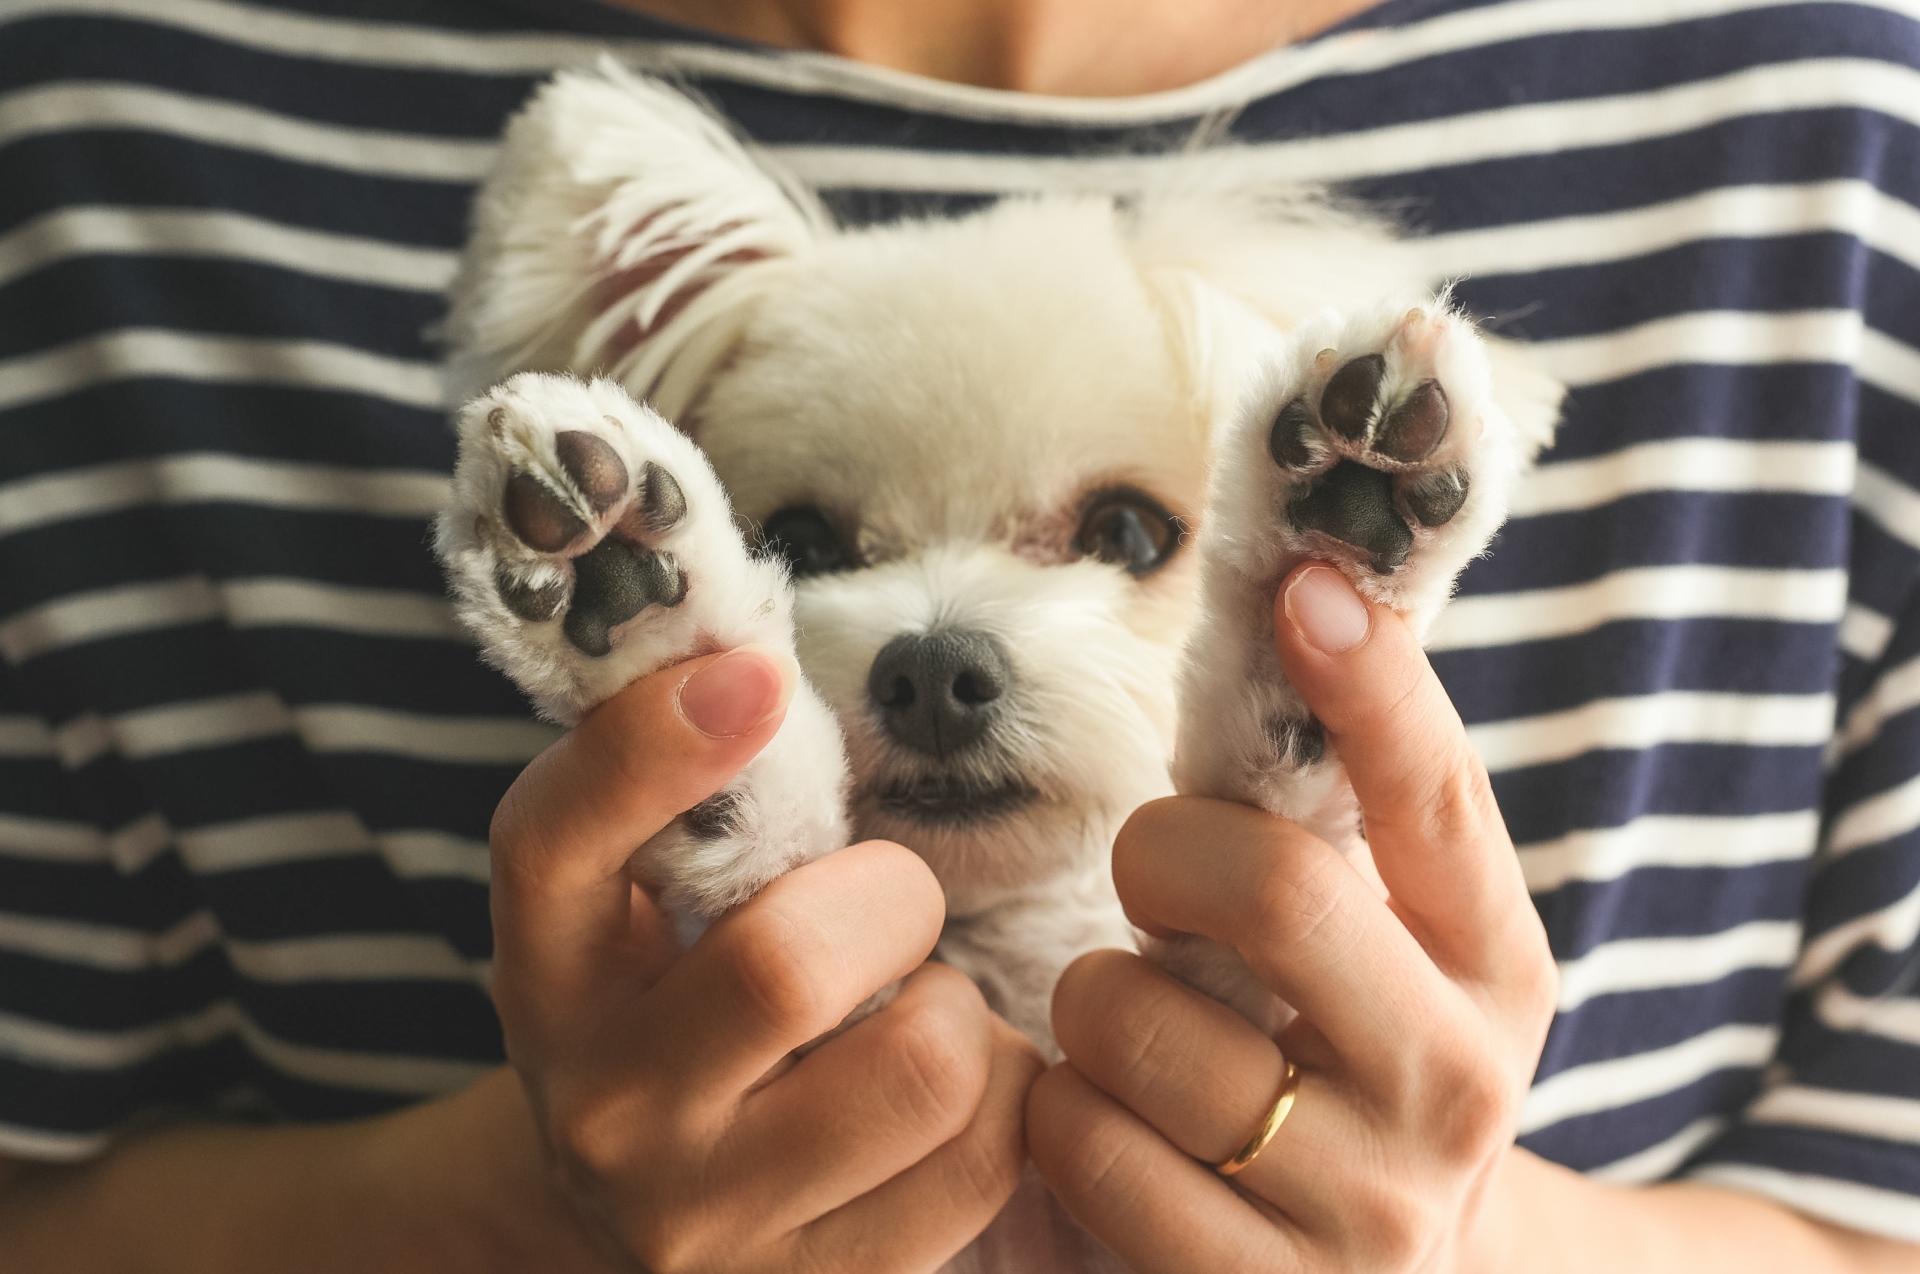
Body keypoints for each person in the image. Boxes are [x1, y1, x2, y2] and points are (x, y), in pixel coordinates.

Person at [0, 0, 1916, 1269]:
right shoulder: (89, 136)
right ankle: (733, 752)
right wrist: (518, 1208)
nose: (934, 653)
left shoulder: (1841, 135)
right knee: (760, 764)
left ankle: (1282, 705)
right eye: (810, 539)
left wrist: (1483, 1240)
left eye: (1125, 532)